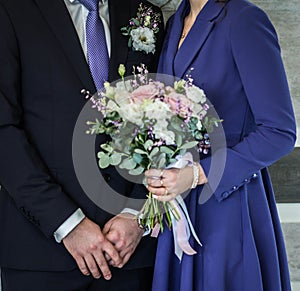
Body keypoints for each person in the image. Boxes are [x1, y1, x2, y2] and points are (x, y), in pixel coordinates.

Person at [0, 0, 164, 290]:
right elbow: (4, 131)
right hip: (42, 253)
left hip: (129, 253)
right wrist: (67, 223)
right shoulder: (12, 9)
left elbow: (162, 122)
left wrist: (137, 214)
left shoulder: (145, 13)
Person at [145, 0, 296, 290]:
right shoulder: (176, 20)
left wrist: (200, 173)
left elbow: (279, 132)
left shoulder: (245, 20)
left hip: (227, 205)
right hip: (177, 204)